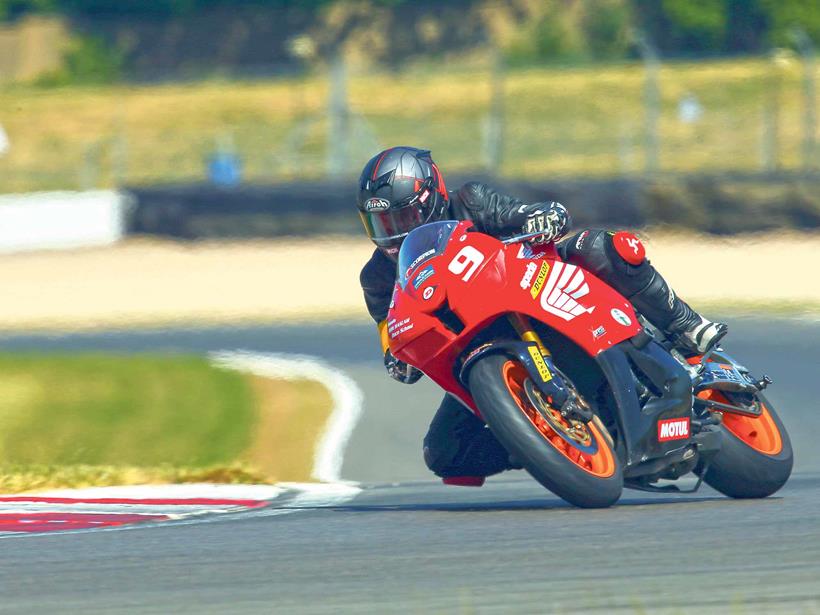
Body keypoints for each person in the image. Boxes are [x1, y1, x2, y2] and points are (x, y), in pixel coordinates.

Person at [356, 146, 727, 482]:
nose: (394, 234)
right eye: (382, 225)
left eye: (403, 219)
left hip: (537, 287)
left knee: (601, 247)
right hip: (474, 344)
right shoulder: (377, 277)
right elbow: (389, 331)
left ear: (432, 198)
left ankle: (685, 326)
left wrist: (542, 217)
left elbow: (525, 214)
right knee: (443, 454)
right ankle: (542, 439)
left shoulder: (471, 201)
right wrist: (396, 358)